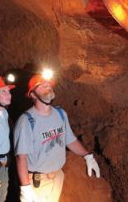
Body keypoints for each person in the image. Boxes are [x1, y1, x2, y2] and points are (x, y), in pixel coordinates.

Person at [14, 73, 100, 202]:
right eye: (42, 85)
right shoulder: (26, 121)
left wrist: (87, 156)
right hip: (39, 182)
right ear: (32, 94)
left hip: (58, 176)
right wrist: (25, 188)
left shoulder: (60, 113)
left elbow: (70, 140)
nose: (47, 86)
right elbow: (21, 157)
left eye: (48, 84)